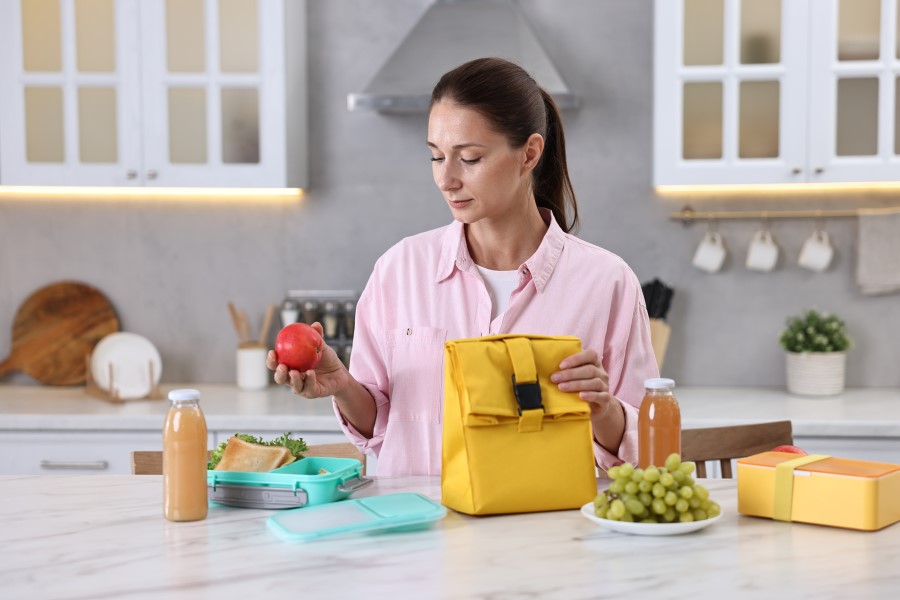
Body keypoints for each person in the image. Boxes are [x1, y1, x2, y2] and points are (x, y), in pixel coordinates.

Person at [268, 57, 659, 476]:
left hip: (548, 534)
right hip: (418, 530)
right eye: (436, 157)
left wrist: (603, 408)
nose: (446, 179)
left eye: (469, 158)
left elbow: (650, 448)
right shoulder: (399, 270)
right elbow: (381, 430)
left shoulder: (605, 282)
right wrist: (343, 386)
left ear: (529, 153)